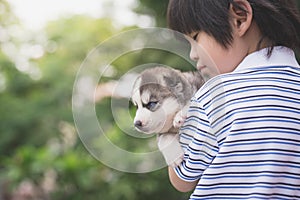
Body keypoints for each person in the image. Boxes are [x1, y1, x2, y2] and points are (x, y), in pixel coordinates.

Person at [163, 0, 300, 199]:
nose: (192, 54)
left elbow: (182, 179)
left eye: (195, 37)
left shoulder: (216, 96)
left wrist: (170, 132)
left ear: (239, 18)